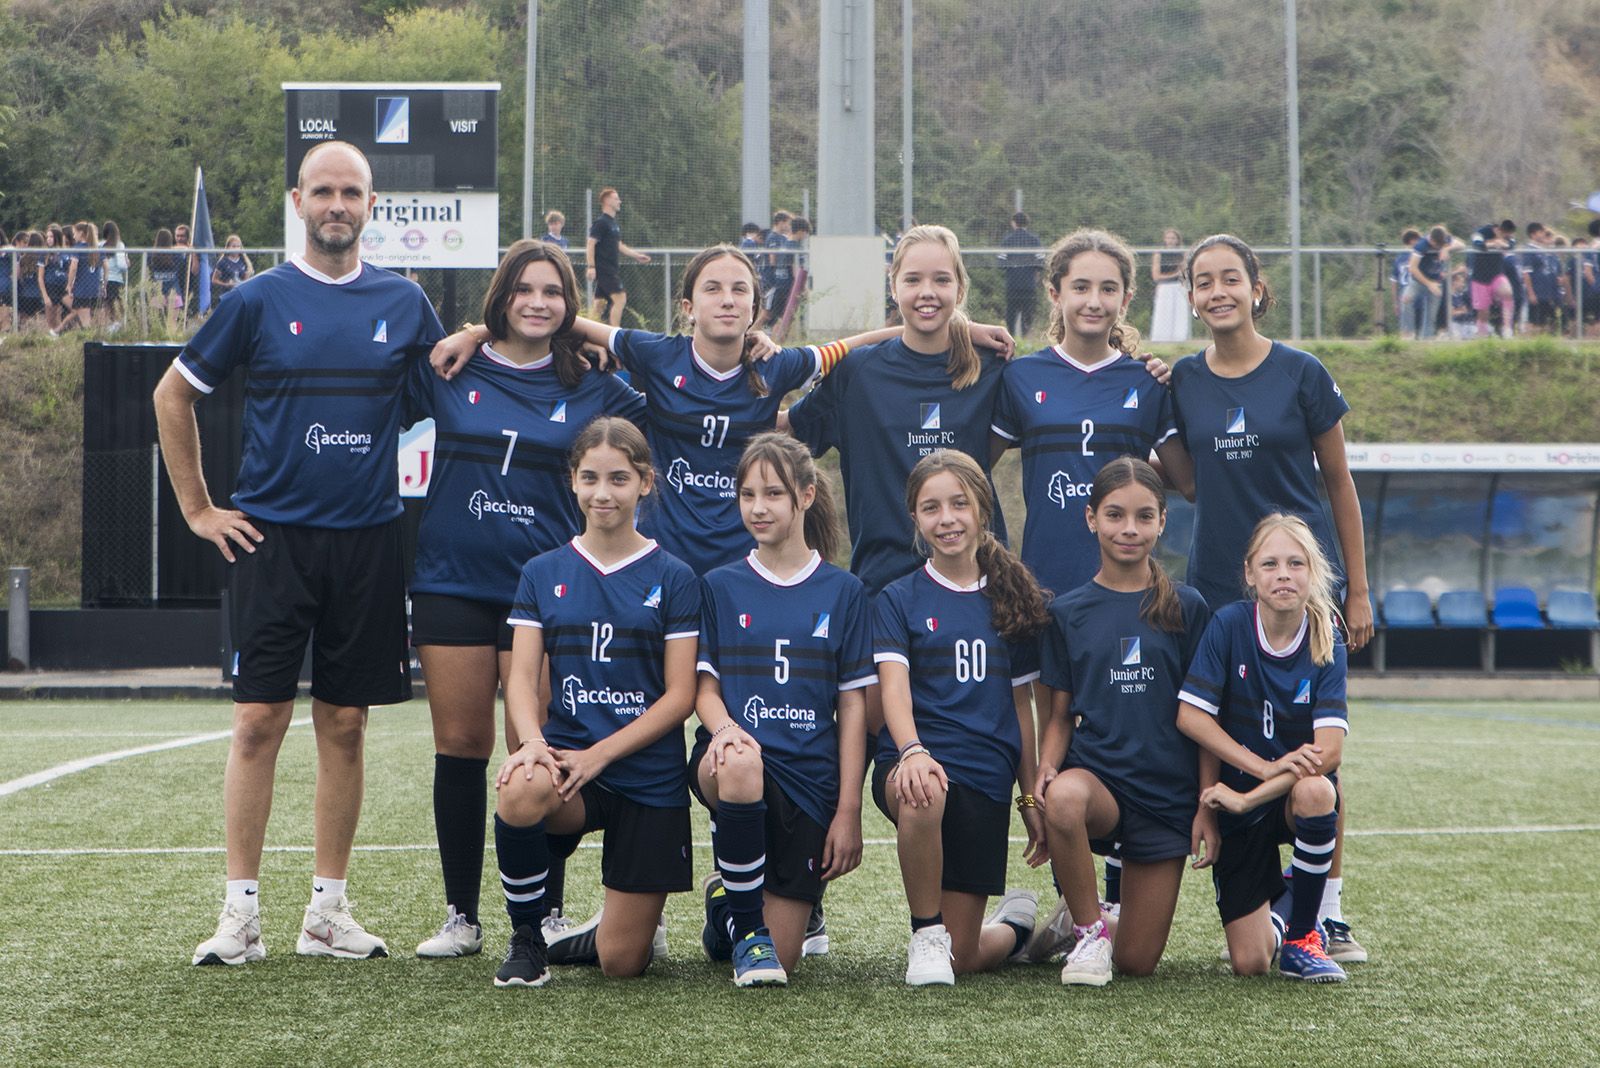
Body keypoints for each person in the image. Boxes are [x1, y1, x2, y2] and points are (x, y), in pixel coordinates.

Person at [153, 140, 446, 967]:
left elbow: (449, 397)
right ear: (297, 200)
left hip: (368, 542)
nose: (337, 205)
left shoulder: (404, 302)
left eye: (352, 191)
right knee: (256, 725)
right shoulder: (257, 300)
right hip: (272, 545)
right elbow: (171, 393)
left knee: (345, 725)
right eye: (323, 190)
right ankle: (238, 913)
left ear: (372, 204)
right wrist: (200, 509)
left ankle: (326, 914)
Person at [406, 239, 645, 960]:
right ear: (501, 296)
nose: (538, 303)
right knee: (462, 747)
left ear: (570, 305)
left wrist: (599, 341)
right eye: (524, 290)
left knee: (533, 750)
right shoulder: (453, 366)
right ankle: (461, 915)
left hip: (544, 592)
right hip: (450, 578)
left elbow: (670, 394)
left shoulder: (593, 382)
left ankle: (542, 912)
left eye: (553, 292)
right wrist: (472, 335)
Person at [1173, 234, 1369, 963]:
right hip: (1219, 584)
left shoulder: (1301, 372)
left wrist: (1356, 589)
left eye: (1231, 278)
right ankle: (1248, 872)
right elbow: (1186, 481)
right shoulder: (1184, 382)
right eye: (1203, 281)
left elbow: (1340, 483)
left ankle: (1329, 910)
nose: (1218, 290)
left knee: (1323, 758)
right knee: (1213, 729)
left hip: (1302, 584)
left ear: (1258, 287)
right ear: (1191, 297)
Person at [489, 416, 699, 987]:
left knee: (621, 964)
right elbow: (523, 677)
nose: (603, 493)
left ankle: (609, 929)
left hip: (648, 777)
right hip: (569, 772)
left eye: (618, 479)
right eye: (590, 478)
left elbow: (681, 696)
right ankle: (528, 937)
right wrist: (534, 743)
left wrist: (599, 755)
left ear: (645, 483)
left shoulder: (675, 576)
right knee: (520, 785)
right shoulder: (541, 572)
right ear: (573, 483)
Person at [693, 432, 873, 985]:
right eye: (747, 494)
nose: (758, 507)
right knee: (742, 763)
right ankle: (748, 929)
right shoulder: (720, 585)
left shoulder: (844, 591)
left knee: (787, 956)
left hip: (810, 780)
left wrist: (848, 811)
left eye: (773, 493)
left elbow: (853, 712)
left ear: (807, 495)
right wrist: (725, 730)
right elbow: (704, 688)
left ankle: (728, 900)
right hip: (732, 758)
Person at [873, 448, 1049, 986]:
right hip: (914, 760)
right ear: (915, 520)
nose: (946, 519)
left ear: (982, 509)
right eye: (931, 508)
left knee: (966, 958)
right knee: (922, 789)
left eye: (958, 504)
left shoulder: (1014, 597)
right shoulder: (897, 597)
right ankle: (925, 933)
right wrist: (912, 751)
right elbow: (894, 695)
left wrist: (1027, 798)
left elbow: (1024, 709)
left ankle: (1019, 926)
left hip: (986, 779)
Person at [1033, 458, 1212, 986]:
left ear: (1162, 522)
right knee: (1064, 796)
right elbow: (1060, 715)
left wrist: (1206, 803)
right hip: (1100, 783)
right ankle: (1089, 930)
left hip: (1165, 796)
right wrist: (1043, 772)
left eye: (1143, 516)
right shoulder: (1067, 612)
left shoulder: (1187, 606)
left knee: (1135, 964)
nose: (1128, 529)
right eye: (1114, 515)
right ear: (1091, 519)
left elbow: (1204, 717)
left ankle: (1086, 922)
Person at [1176, 513, 1350, 983]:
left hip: (1286, 798)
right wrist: (1232, 790)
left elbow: (1328, 754)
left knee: (1320, 792)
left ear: (1313, 572)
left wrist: (1252, 793)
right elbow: (1192, 717)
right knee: (1250, 963)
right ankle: (1292, 895)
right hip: (1237, 803)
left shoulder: (1326, 637)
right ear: (1250, 573)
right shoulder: (1229, 625)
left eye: (1296, 563)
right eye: (1270, 564)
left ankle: (1301, 940)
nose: (1284, 575)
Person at [990, 228, 1194, 600]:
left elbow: (1191, 484)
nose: (1094, 301)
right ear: (1055, 293)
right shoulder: (1021, 377)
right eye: (1081, 287)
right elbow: (971, 468)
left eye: (1108, 289)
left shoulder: (1148, 382)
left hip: (1129, 588)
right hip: (1043, 585)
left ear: (1127, 298)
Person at [586, 187, 650, 327]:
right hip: (604, 270)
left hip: (611, 269)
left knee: (599, 305)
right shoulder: (601, 223)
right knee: (620, 299)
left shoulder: (613, 224)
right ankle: (614, 336)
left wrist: (636, 256)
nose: (619, 201)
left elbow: (618, 245)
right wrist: (591, 266)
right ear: (607, 201)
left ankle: (585, 333)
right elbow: (591, 243)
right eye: (616, 198)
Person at [1401, 226, 1456, 341]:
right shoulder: (1421, 245)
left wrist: (1447, 249)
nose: (1439, 246)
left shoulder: (1444, 240)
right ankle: (1409, 333)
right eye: (1438, 245)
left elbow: (1462, 245)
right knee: (1406, 300)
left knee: (1431, 315)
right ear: (1431, 240)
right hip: (1418, 281)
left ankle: (1426, 339)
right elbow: (1412, 268)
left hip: (1436, 282)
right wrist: (1429, 284)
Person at [998, 212, 1044, 338]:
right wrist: (1034, 270)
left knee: (1011, 313)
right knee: (1028, 313)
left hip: (1012, 283)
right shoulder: (1034, 240)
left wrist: (1012, 267)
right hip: (1029, 283)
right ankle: (1024, 336)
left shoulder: (1008, 240)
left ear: (1014, 223)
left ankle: (1011, 336)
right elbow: (1040, 260)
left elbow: (1001, 260)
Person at [1469, 218, 1517, 338]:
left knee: (1507, 293)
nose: (1506, 237)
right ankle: (1482, 334)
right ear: (1498, 230)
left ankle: (1507, 328)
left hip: (1496, 273)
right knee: (1483, 311)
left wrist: (1505, 244)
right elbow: (1477, 243)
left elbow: (1512, 244)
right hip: (1480, 277)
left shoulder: (1507, 237)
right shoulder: (1482, 232)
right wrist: (1492, 243)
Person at [59, 221, 103, 332]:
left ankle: (89, 339)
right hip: (93, 288)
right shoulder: (95, 248)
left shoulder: (79, 247)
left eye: (75, 233)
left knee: (85, 319)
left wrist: (69, 284)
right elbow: (105, 267)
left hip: (82, 289)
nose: (73, 236)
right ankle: (85, 335)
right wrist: (104, 283)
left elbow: (73, 267)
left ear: (81, 233)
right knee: (84, 314)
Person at [1147, 228, 1189, 343]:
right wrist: (1175, 274)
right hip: (1164, 287)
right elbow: (1156, 276)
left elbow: (1184, 272)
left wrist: (1180, 274)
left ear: (1177, 240)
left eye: (1173, 238)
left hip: (1179, 287)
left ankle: (1180, 340)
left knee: (1179, 314)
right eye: (1168, 238)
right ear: (1164, 239)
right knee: (1163, 314)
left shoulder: (1183, 253)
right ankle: (1160, 340)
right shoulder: (1159, 253)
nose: (1170, 241)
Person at [760, 210, 797, 330]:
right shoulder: (773, 238)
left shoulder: (783, 238)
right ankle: (753, 332)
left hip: (781, 282)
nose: (789, 227)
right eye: (787, 223)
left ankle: (776, 334)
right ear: (780, 223)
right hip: (772, 281)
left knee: (782, 313)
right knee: (768, 313)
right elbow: (772, 259)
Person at [150, 228, 182, 330]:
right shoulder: (176, 255)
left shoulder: (151, 255)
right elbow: (181, 265)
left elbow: (149, 269)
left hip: (157, 292)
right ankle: (172, 340)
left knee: (156, 323)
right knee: (173, 323)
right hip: (174, 291)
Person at [101, 220, 129, 330]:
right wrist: (127, 263)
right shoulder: (119, 245)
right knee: (118, 307)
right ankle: (117, 327)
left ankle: (111, 326)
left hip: (104, 279)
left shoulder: (101, 245)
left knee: (107, 307)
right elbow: (122, 265)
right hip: (116, 280)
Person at [1391, 228, 1419, 337]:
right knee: (1407, 320)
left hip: (1412, 289)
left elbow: (1393, 282)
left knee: (1408, 321)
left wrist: (1395, 302)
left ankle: (1408, 335)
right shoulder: (1409, 256)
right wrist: (1395, 302)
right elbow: (1394, 280)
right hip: (1409, 288)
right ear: (1412, 240)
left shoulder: (1399, 257)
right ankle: (1409, 335)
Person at [211, 234, 254, 300]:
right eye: (233, 246)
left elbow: (246, 280)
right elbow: (214, 280)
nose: (236, 248)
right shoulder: (223, 262)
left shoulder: (244, 261)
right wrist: (226, 284)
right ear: (228, 247)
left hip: (241, 295)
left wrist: (246, 277)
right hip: (227, 295)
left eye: (238, 246)